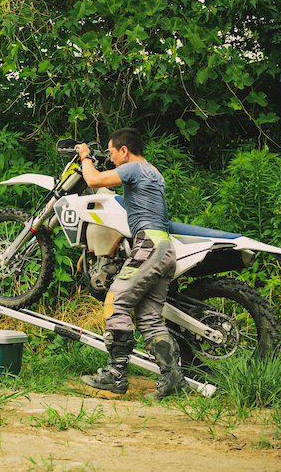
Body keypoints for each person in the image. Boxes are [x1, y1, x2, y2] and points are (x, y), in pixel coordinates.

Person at [75, 128, 188, 400]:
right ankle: (173, 379)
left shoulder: (134, 168)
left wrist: (85, 156)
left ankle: (115, 374)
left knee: (116, 300)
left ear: (124, 150)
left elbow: (92, 178)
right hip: (163, 248)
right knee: (148, 318)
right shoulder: (151, 171)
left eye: (113, 153)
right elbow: (103, 186)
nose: (112, 159)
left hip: (149, 245)